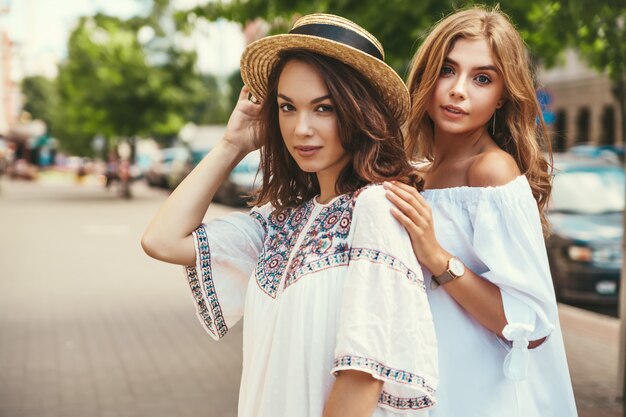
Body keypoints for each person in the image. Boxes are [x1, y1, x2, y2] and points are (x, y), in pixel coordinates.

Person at [142, 13, 438, 417]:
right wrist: (232, 144)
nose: (301, 129)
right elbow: (162, 241)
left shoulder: (376, 208)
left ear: (360, 112)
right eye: (287, 107)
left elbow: (363, 375)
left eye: (324, 108)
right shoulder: (280, 221)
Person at [383, 6, 577, 417]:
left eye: (482, 78)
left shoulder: (491, 172)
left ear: (503, 95)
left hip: (481, 395)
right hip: (428, 384)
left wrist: (437, 258)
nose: (459, 90)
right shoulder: (420, 174)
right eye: (447, 70)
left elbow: (533, 325)